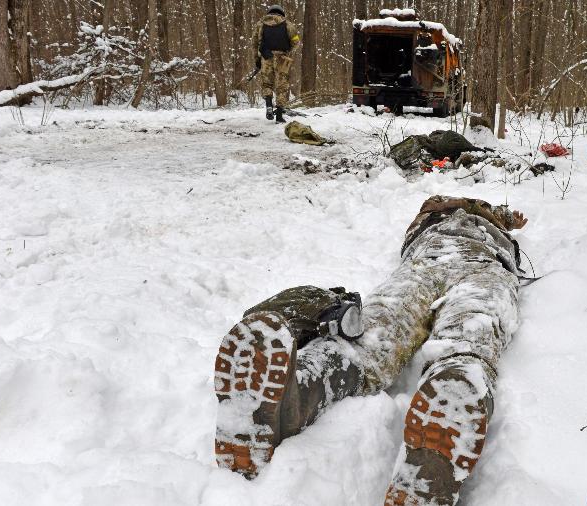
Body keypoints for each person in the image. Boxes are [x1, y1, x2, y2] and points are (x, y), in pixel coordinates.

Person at [214, 195, 528, 506]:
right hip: (471, 267)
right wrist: (502, 219)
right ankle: (451, 394)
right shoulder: (459, 215)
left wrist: (504, 219)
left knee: (379, 337)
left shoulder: (443, 221)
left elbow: (457, 207)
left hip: (432, 266)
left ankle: (305, 389)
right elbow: (449, 203)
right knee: (461, 334)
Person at [251, 5, 300, 123]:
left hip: (265, 57)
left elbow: (254, 43)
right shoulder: (288, 24)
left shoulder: (260, 24)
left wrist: (257, 59)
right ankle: (278, 115)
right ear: (281, 13)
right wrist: (287, 51)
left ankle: (268, 105)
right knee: (281, 86)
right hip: (282, 58)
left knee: (267, 84)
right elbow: (296, 41)